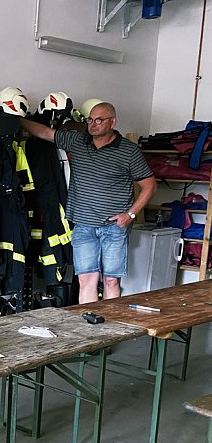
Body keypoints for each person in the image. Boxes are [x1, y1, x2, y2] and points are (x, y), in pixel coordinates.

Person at [21, 102, 156, 303]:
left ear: (113, 122)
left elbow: (150, 185)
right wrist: (16, 120)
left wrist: (131, 214)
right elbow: (46, 133)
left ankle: (111, 325)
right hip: (83, 225)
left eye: (99, 120)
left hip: (114, 227)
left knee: (110, 280)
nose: (93, 124)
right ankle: (90, 326)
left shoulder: (129, 151)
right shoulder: (77, 141)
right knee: (86, 279)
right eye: (90, 120)